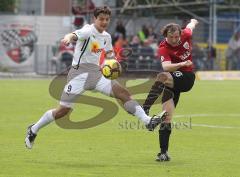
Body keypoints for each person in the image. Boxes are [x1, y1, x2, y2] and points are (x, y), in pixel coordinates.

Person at [25, 6, 167, 149]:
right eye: (101, 19)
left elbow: (110, 55)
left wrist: (114, 63)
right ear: (94, 19)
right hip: (78, 75)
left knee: (123, 93)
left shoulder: (106, 37)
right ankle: (34, 129)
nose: (104, 22)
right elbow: (73, 35)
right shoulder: (88, 31)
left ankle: (147, 121)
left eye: (107, 19)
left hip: (96, 74)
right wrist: (67, 38)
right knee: (63, 110)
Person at [143, 19, 198, 161]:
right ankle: (163, 153)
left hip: (187, 78)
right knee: (167, 117)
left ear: (180, 34)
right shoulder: (163, 47)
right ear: (165, 36)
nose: (174, 40)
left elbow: (190, 26)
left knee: (162, 77)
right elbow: (166, 66)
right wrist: (182, 62)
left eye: (176, 37)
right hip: (173, 80)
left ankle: (145, 108)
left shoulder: (185, 34)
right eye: (171, 37)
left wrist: (193, 21)